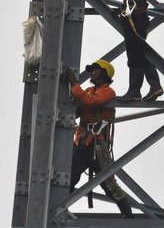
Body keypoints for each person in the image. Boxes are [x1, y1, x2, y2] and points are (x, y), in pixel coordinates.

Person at [66, 60, 133, 218]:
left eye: (95, 70)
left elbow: (91, 102)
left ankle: (128, 216)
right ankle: (57, 207)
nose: (91, 72)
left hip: (97, 145)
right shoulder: (89, 90)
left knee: (108, 184)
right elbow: (80, 108)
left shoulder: (108, 92)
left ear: (104, 73)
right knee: (69, 176)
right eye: (91, 70)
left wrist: (74, 83)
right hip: (82, 141)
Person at [108, 0, 164, 102]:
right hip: (133, 16)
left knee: (135, 56)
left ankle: (135, 91)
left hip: (136, 18)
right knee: (138, 54)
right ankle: (153, 87)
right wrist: (119, 8)